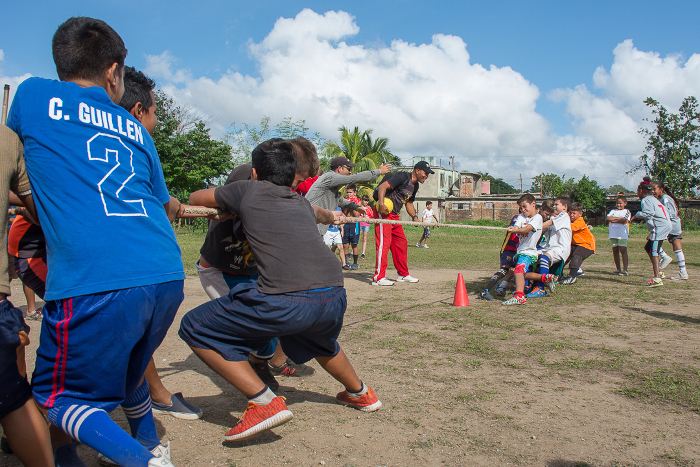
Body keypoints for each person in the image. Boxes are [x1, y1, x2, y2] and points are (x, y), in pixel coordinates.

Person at [8, 17, 186, 467]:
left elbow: (17, 160)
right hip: (165, 271)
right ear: (113, 72)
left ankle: (144, 461)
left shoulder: (31, 96)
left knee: (54, 395)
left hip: (95, 274)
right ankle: (146, 442)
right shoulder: (139, 134)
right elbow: (164, 204)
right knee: (128, 368)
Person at [180, 139, 382, 442]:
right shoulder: (297, 200)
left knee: (194, 326)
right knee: (321, 344)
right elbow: (319, 213)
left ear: (256, 173)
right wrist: (331, 215)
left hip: (289, 300)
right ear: (293, 177)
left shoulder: (246, 188)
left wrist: (228, 205)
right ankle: (362, 393)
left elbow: (196, 196)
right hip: (334, 293)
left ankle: (263, 402)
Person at [196, 137, 319, 388]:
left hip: (251, 269)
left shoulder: (280, 188)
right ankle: (255, 373)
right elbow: (214, 202)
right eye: (298, 179)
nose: (295, 186)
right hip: (222, 267)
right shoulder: (248, 174)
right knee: (258, 321)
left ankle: (264, 360)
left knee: (276, 315)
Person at [0, 125, 54, 467]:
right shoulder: (18, 148)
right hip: (28, 253)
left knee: (14, 343)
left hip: (39, 254)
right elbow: (35, 208)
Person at [372, 161, 433, 286]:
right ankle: (378, 277)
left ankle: (402, 274)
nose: (426, 176)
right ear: (417, 170)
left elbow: (409, 203)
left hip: (394, 215)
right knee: (384, 243)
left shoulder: (415, 186)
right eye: (425, 173)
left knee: (401, 242)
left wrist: (415, 217)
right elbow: (383, 187)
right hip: (383, 211)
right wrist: (382, 205)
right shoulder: (403, 177)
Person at [306, 156, 391, 238]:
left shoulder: (331, 183)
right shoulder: (330, 177)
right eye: (348, 169)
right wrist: (378, 172)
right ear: (339, 168)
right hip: (309, 227)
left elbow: (339, 200)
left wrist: (355, 207)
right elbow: (353, 178)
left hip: (312, 227)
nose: (350, 172)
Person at [502, 194, 548, 305]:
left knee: (518, 270)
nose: (523, 209)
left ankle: (519, 296)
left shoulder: (538, 218)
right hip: (521, 251)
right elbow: (517, 226)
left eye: (525, 206)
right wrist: (514, 228)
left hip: (529, 252)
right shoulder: (521, 216)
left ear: (533, 204)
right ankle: (546, 278)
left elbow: (527, 229)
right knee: (520, 273)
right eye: (521, 208)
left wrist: (515, 231)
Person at [524, 196, 572, 298]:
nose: (554, 206)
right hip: (550, 248)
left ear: (565, 207)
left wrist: (531, 226)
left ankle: (541, 288)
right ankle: (528, 285)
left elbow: (547, 224)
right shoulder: (555, 217)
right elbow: (545, 229)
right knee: (530, 256)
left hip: (561, 248)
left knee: (545, 258)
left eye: (556, 204)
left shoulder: (564, 215)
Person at [632, 177, 672, 287]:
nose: (637, 193)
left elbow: (648, 213)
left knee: (654, 251)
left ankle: (657, 279)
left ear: (641, 191)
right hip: (664, 225)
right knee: (648, 248)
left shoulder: (646, 200)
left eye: (637, 191)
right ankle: (658, 271)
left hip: (660, 227)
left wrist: (636, 215)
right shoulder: (653, 199)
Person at [477, 213, 520, 301]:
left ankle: (501, 287)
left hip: (517, 249)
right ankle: (486, 290)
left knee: (515, 269)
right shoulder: (518, 219)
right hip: (510, 249)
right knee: (504, 270)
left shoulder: (518, 218)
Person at [652, 182, 688, 280]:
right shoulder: (665, 198)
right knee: (677, 248)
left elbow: (669, 213)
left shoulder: (665, 199)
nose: (653, 191)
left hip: (670, 225)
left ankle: (664, 257)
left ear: (661, 189)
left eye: (654, 189)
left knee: (653, 240)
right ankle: (683, 272)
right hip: (675, 224)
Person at [559, 203, 596, 285]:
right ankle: (558, 272)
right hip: (576, 244)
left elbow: (570, 228)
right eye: (570, 213)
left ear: (580, 214)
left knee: (577, 255)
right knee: (564, 254)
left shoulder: (580, 221)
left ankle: (572, 276)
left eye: (574, 213)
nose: (572, 215)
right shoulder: (570, 221)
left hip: (586, 245)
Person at [606, 195, 631, 276]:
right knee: (615, 251)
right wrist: (618, 219)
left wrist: (614, 219)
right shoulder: (613, 211)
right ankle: (618, 269)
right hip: (613, 233)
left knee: (623, 250)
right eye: (617, 203)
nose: (619, 205)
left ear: (625, 203)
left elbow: (624, 220)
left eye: (621, 203)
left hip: (622, 234)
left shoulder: (626, 211)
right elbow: (608, 218)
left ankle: (625, 270)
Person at [341, 184, 362, 270]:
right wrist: (347, 205)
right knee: (345, 244)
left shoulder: (358, 201)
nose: (348, 194)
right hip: (346, 224)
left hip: (354, 224)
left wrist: (352, 205)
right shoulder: (345, 200)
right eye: (347, 192)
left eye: (350, 192)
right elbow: (344, 214)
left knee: (354, 244)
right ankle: (345, 262)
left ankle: (355, 263)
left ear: (354, 192)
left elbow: (357, 215)